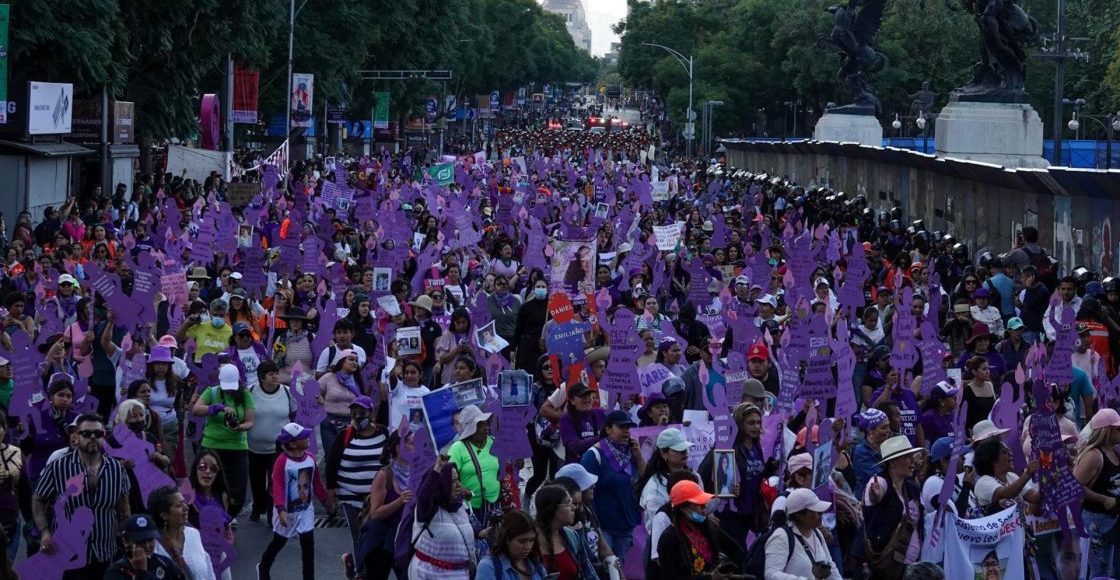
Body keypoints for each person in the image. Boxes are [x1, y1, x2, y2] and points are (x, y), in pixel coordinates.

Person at [32, 413, 131, 579]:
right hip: (66, 553)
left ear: (104, 436)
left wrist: (127, 536)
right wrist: (44, 532)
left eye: (98, 434)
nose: (92, 437)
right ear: (76, 437)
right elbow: (38, 498)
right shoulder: (58, 467)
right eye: (86, 433)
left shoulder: (117, 469)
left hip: (104, 552)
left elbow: (124, 507)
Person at [257, 423, 335, 580]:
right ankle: (264, 566)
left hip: (305, 510)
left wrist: (326, 501)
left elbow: (317, 483)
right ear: (292, 443)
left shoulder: (311, 459)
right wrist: (280, 509)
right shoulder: (282, 461)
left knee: (308, 545)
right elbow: (277, 486)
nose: (307, 438)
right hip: (287, 512)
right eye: (302, 437)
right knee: (279, 541)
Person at [580, 410, 644, 566]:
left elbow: (644, 478)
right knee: (605, 568)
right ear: (608, 429)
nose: (626, 431)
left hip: (626, 524)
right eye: (621, 427)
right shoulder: (594, 455)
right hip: (603, 527)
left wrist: (639, 456)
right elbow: (584, 492)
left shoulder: (630, 452)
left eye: (628, 428)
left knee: (619, 567)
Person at [325, 395, 386, 541]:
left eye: (362, 413)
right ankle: (359, 563)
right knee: (358, 536)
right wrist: (331, 494)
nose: (358, 417)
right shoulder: (344, 436)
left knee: (374, 536)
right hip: (350, 496)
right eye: (354, 413)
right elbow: (331, 464)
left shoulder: (383, 433)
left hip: (376, 497)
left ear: (371, 413)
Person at [655, 480, 743, 579]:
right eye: (699, 504)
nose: (704, 508)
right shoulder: (669, 538)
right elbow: (671, 577)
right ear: (683, 508)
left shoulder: (710, 527)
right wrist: (709, 578)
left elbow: (737, 551)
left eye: (704, 503)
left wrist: (729, 571)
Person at [862, 436, 924, 576]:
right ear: (893, 462)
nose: (912, 461)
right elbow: (875, 498)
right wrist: (875, 496)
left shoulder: (911, 487)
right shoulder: (880, 482)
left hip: (910, 565)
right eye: (908, 457)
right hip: (886, 566)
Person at [409, 459, 477, 580]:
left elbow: (465, 532)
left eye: (458, 480)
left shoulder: (460, 507)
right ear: (441, 484)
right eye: (452, 481)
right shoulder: (428, 510)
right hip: (430, 574)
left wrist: (484, 532)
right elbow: (424, 497)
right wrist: (437, 469)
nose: (458, 485)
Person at [1073, 407, 1120, 578]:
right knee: (1100, 572)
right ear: (1106, 431)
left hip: (1112, 520)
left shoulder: (1114, 451)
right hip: (1096, 521)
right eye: (1118, 429)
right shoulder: (1094, 455)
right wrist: (1102, 499)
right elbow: (1073, 486)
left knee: (1111, 571)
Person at [247, 360, 294, 524]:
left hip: (278, 448)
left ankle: (271, 513)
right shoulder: (251, 391)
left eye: (276, 373)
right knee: (256, 480)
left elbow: (294, 415)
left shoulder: (287, 392)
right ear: (261, 377)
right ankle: (257, 507)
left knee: (275, 482)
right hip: (254, 447)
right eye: (271, 374)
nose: (275, 376)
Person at [764, 488, 843, 580]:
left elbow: (830, 567)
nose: (821, 514)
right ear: (799, 515)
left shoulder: (817, 533)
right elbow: (771, 574)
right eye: (816, 511)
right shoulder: (781, 537)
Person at [148, 485, 217, 580]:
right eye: (179, 505)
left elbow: (208, 569)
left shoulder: (193, 534)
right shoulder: (154, 546)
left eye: (184, 503)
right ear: (164, 515)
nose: (186, 508)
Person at [534, 485, 599, 580]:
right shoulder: (529, 542)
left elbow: (588, 572)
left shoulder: (572, 536)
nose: (574, 507)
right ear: (553, 509)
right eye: (568, 503)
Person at [448, 404, 500, 521]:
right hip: (470, 508)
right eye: (480, 425)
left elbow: (507, 469)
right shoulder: (458, 448)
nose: (486, 428)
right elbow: (447, 477)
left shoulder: (494, 443)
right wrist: (461, 490)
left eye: (486, 423)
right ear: (470, 429)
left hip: (495, 504)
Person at [637, 427, 693, 529]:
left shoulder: (694, 477)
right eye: (678, 449)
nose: (684, 452)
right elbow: (658, 526)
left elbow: (702, 508)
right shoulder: (654, 489)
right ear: (664, 453)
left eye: (685, 448)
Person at [104, 514, 187, 580]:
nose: (147, 545)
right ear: (125, 542)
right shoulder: (117, 571)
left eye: (150, 540)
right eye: (141, 541)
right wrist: (141, 572)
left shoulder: (164, 563)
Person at [320, 348, 371, 456]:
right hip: (329, 422)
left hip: (351, 422)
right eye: (351, 359)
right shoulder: (328, 377)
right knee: (332, 455)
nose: (354, 363)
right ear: (341, 361)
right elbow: (312, 392)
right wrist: (320, 400)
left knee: (349, 455)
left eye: (356, 361)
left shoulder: (358, 381)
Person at [476, 509, 550, 580]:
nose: (528, 546)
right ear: (507, 539)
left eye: (531, 540)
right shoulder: (489, 567)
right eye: (522, 541)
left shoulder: (536, 566)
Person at [560, 383, 607, 464]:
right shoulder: (566, 419)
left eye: (588, 395)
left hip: (599, 465)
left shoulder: (600, 413)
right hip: (577, 467)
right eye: (582, 396)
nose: (587, 399)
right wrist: (602, 437)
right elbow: (574, 447)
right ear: (572, 400)